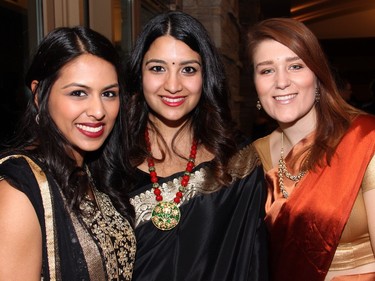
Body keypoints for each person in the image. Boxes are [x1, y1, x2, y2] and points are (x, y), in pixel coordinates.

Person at [125, 10, 268, 281]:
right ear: (138, 74)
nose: (173, 85)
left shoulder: (237, 164)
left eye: (188, 69)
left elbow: (251, 263)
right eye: (157, 68)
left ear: (206, 76)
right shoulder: (108, 162)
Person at [0, 26, 136, 280]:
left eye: (109, 94)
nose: (98, 110)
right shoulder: (20, 190)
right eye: (78, 93)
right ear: (40, 95)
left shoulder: (94, 171)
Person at [247, 17, 375, 281]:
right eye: (267, 70)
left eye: (295, 66)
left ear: (317, 75)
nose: (281, 82)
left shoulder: (365, 139)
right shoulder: (252, 157)